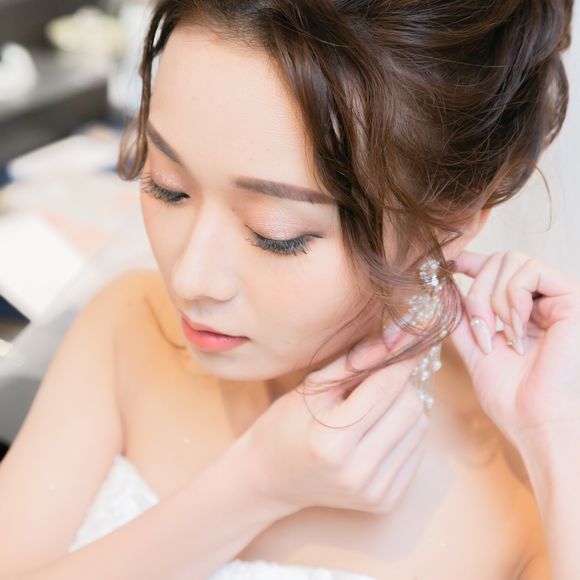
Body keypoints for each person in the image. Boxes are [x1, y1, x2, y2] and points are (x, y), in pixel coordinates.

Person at [0, 1, 578, 578]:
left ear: (450, 222)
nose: (190, 279)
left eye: (275, 234)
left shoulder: (522, 477)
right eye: (168, 186)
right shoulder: (129, 328)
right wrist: (252, 490)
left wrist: (554, 439)